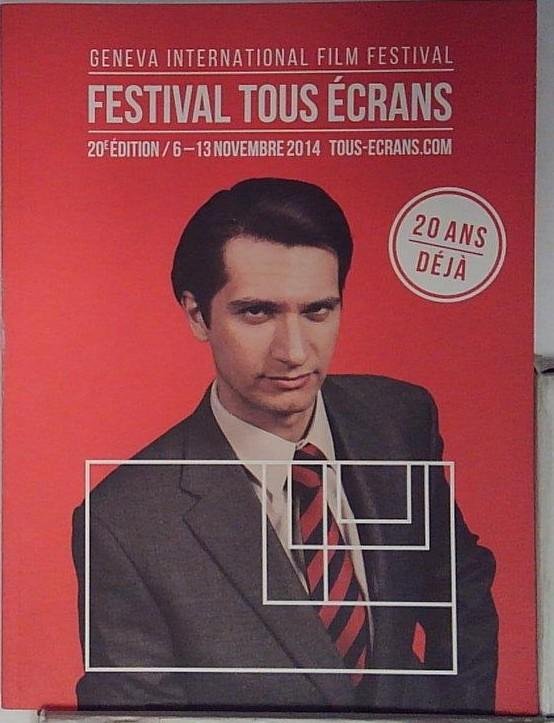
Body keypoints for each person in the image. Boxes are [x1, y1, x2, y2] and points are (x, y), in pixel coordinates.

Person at [72, 177, 498, 712]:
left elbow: (460, 584)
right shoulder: (122, 521)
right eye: (257, 312)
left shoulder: (398, 419)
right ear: (197, 315)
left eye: (318, 311)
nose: (294, 352)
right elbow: (134, 713)